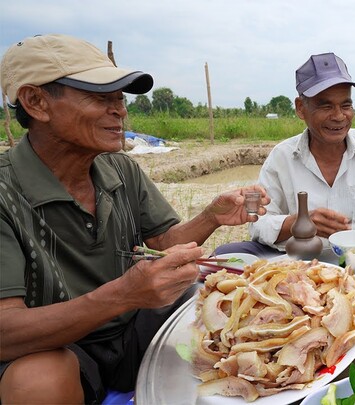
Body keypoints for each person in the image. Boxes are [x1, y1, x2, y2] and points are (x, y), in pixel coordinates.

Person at [0, 34, 268, 404]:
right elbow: (5, 331)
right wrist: (122, 295)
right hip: (63, 348)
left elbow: (161, 242)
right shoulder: (4, 192)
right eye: (100, 97)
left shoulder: (120, 168)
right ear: (36, 102)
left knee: (228, 299)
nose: (120, 111)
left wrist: (211, 217)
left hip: (131, 327)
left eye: (120, 99)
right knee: (37, 380)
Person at [214, 52, 355, 257]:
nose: (339, 116)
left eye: (345, 105)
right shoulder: (281, 159)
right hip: (303, 270)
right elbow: (258, 224)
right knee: (226, 252)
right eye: (326, 106)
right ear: (301, 108)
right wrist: (298, 222)